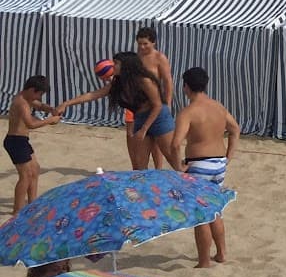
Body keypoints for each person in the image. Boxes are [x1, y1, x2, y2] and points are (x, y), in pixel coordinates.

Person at [58, 52, 176, 172]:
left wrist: (144, 129)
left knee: (172, 159)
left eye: (116, 63)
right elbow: (94, 95)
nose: (112, 65)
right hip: (140, 118)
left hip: (159, 118)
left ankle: (192, 182)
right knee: (140, 165)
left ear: (126, 65)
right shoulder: (118, 82)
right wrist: (67, 103)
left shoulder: (144, 80)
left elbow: (158, 105)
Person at [171, 67, 241, 267]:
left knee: (200, 215)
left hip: (200, 164)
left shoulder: (188, 112)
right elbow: (235, 129)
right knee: (215, 210)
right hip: (219, 163)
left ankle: (204, 261)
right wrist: (228, 157)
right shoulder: (218, 106)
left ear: (185, 86)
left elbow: (175, 144)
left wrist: (178, 167)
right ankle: (221, 253)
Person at [7, 75, 62, 215]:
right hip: (15, 142)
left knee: (35, 170)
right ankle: (17, 211)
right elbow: (30, 124)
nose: (40, 97)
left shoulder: (26, 97)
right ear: (32, 90)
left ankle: (33, 204)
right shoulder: (22, 103)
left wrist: (51, 109)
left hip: (21, 141)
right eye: (39, 93)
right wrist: (50, 120)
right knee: (25, 176)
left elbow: (38, 104)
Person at [135, 27, 175, 170]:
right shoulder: (137, 57)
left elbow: (167, 81)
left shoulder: (159, 58)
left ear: (153, 43)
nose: (142, 47)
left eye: (145, 43)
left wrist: (168, 103)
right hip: (141, 106)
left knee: (161, 144)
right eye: (139, 43)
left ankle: (159, 169)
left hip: (157, 104)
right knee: (144, 144)